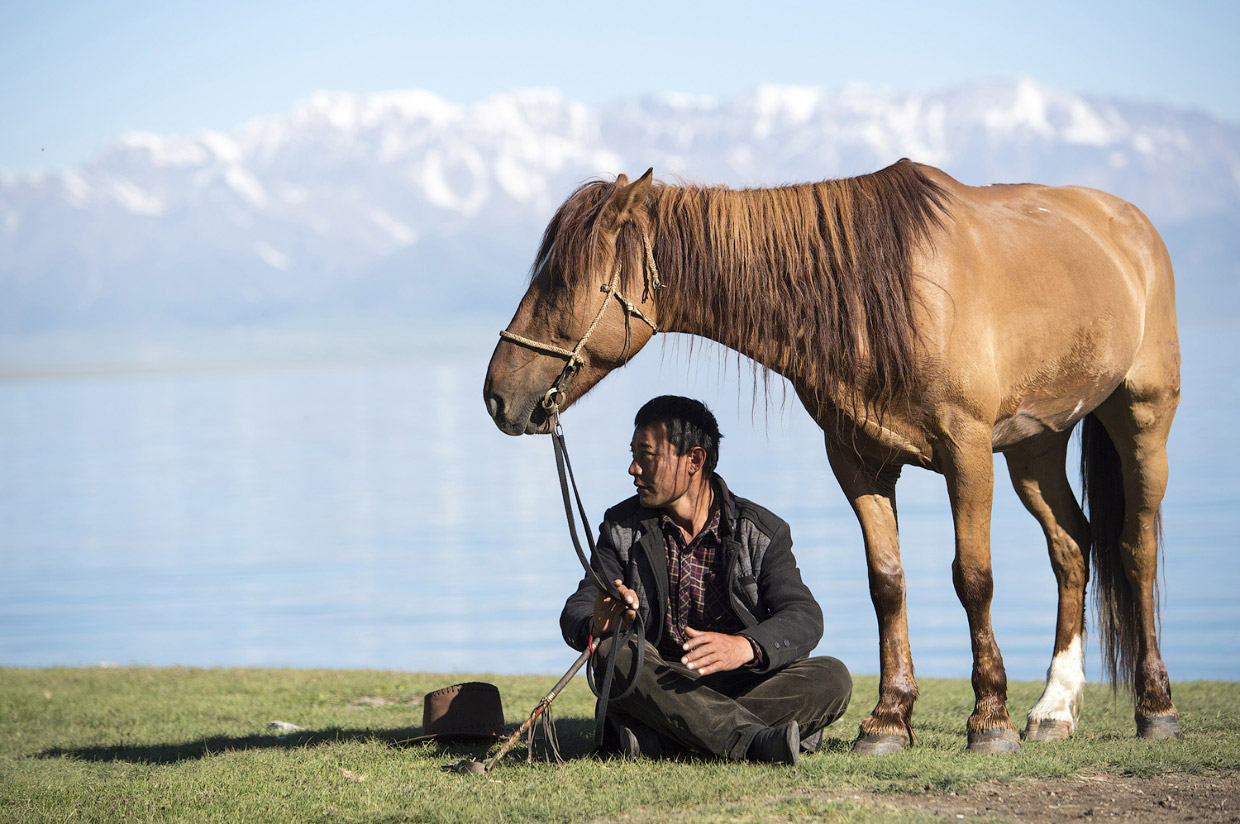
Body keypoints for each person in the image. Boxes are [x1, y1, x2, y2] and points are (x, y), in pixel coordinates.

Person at [560, 396, 851, 765]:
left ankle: (666, 742)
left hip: (742, 681)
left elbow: (805, 616)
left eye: (646, 456)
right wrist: (597, 620)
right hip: (657, 683)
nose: (633, 468)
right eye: (632, 454)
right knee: (611, 654)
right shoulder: (620, 528)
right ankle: (754, 743)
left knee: (833, 677)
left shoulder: (761, 530)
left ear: (694, 461)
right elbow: (575, 611)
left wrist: (745, 647)